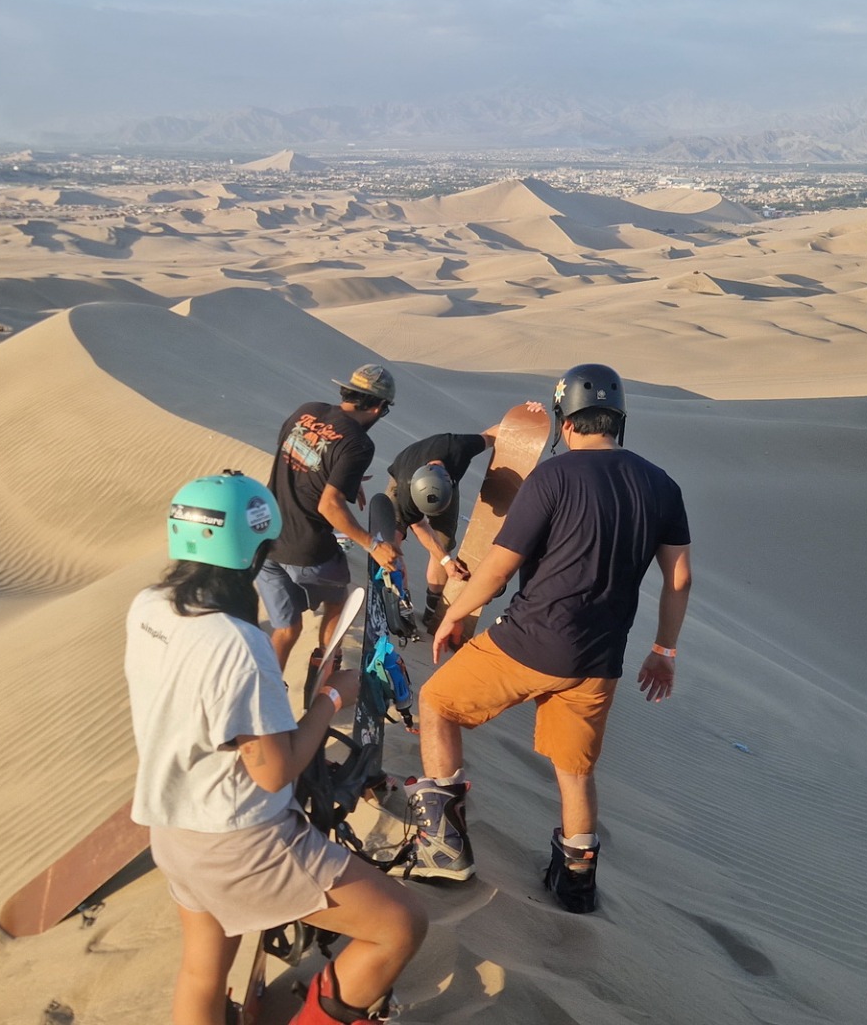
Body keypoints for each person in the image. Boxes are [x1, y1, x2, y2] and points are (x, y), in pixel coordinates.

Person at [126, 471, 426, 1025]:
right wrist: (331, 698)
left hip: (173, 832)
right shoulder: (238, 644)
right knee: (400, 925)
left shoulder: (150, 607)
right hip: (240, 842)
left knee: (202, 974)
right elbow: (273, 771)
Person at [403, 363, 692, 914]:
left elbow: (497, 570)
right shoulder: (663, 485)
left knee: (437, 702)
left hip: (530, 641)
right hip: (598, 659)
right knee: (575, 770)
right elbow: (680, 579)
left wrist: (454, 614)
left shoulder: (551, 478)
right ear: (618, 420)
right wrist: (664, 650)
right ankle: (576, 883)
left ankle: (443, 847)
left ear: (566, 422)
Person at [259, 364, 402, 670]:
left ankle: (266, 688)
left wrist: (341, 478)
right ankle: (324, 666)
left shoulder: (306, 411)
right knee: (339, 601)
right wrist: (373, 545)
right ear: (378, 407)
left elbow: (293, 455)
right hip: (307, 550)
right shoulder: (358, 444)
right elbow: (329, 506)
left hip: (265, 540)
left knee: (287, 628)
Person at [383, 405, 542, 635]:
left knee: (443, 544)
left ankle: (432, 610)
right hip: (405, 481)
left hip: (440, 488)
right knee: (391, 546)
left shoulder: (458, 447)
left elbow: (493, 434)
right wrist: (446, 561)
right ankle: (399, 600)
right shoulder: (406, 492)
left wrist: (525, 420)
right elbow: (419, 525)